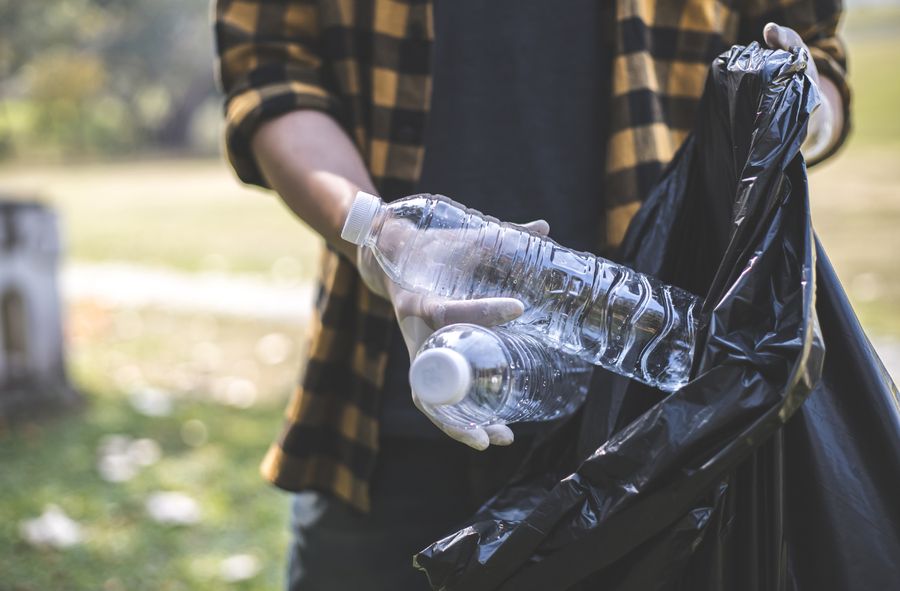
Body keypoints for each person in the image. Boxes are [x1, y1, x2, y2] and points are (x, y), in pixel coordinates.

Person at [213, 2, 850, 589]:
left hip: (657, 422)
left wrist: (800, 112)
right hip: (382, 406)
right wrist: (379, 240)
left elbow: (813, 51)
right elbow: (271, 72)